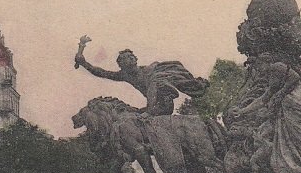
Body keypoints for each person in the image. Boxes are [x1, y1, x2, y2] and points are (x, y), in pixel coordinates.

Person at [75, 38, 207, 116]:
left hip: (163, 104)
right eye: (126, 58)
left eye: (132, 57)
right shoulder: (124, 75)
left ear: (136, 59)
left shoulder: (150, 70)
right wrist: (81, 52)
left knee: (156, 78)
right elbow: (99, 72)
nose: (131, 59)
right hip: (156, 108)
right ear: (121, 65)